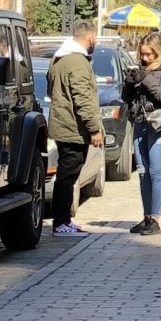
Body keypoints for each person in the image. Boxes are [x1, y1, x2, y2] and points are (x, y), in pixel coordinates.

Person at [124, 34, 161, 236]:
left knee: (156, 171)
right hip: (141, 123)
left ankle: (155, 219)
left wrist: (145, 78)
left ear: (159, 51)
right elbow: (128, 99)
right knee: (143, 172)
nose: (145, 58)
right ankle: (147, 216)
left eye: (149, 54)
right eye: (142, 54)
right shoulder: (141, 68)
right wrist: (129, 84)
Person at [45, 34, 103, 237]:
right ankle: (61, 222)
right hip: (73, 128)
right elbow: (82, 97)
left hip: (63, 124)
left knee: (67, 175)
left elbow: (51, 89)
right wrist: (94, 129)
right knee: (68, 175)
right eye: (95, 38)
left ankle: (64, 221)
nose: (95, 41)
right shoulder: (77, 61)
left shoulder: (58, 58)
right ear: (89, 37)